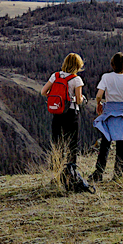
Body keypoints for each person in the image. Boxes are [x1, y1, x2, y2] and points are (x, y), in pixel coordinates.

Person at [91, 53, 123, 181]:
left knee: (105, 144)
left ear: (112, 64)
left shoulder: (106, 77)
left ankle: (98, 173)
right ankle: (118, 174)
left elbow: (99, 95)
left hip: (109, 113)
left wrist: (99, 104)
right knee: (121, 145)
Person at [44, 54, 88, 191]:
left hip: (57, 113)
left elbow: (43, 91)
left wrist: (58, 98)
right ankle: (70, 176)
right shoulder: (76, 80)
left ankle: (56, 175)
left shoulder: (55, 76)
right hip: (71, 113)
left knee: (57, 144)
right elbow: (79, 100)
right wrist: (75, 98)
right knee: (72, 144)